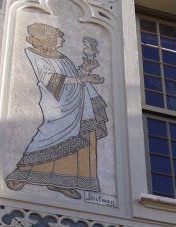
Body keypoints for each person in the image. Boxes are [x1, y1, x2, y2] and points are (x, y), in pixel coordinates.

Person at [6, 22, 108, 200]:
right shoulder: (36, 55)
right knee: (49, 136)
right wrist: (82, 77)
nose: (62, 38)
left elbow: (70, 75)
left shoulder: (60, 56)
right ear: (49, 40)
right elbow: (50, 80)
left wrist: (85, 69)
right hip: (59, 105)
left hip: (78, 102)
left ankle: (63, 182)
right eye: (58, 36)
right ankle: (21, 173)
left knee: (81, 139)